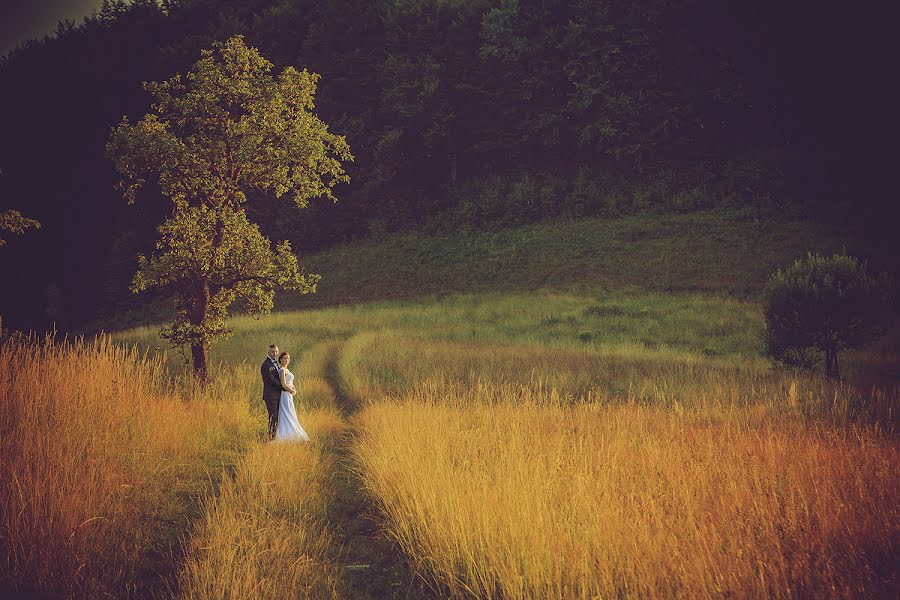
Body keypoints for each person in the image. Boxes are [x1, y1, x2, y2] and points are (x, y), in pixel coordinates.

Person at [275, 351, 310, 442]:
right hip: (285, 394)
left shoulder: (287, 370)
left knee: (291, 412)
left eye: (288, 358)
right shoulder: (282, 370)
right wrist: (292, 391)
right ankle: (287, 434)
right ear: (281, 360)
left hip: (289, 395)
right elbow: (283, 384)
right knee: (287, 413)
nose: (287, 360)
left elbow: (290, 382)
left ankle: (292, 433)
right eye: (285, 358)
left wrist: (294, 388)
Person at [260, 343, 283, 439]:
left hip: (278, 395)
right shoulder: (266, 365)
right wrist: (284, 386)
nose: (275, 353)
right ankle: (271, 438)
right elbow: (271, 381)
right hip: (271, 396)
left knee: (278, 417)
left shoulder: (276, 363)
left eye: (276, 351)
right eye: (273, 352)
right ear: (268, 352)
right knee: (273, 417)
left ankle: (276, 437)